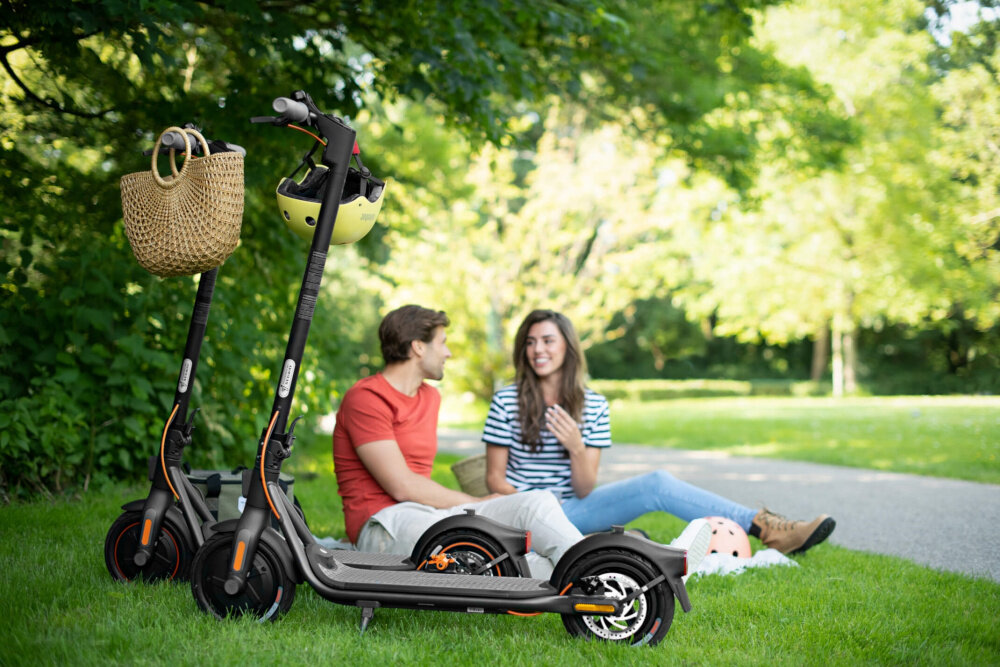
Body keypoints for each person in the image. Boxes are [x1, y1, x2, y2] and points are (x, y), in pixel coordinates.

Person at [482, 309, 836, 555]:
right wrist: (538, 504)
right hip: (526, 512)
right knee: (598, 521)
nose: (537, 350)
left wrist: (576, 446)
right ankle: (620, 541)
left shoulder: (593, 405)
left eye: (547, 341)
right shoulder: (506, 400)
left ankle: (770, 529)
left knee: (657, 484)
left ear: (568, 347)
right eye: (530, 342)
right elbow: (494, 480)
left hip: (573, 508)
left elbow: (585, 488)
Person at [333, 305, 590, 578]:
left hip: (426, 514)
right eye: (442, 343)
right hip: (383, 524)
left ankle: (597, 566)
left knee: (536, 502)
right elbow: (401, 485)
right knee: (524, 565)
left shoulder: (429, 397)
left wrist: (473, 507)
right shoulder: (366, 398)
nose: (448, 352)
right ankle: (595, 575)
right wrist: (474, 503)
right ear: (418, 347)